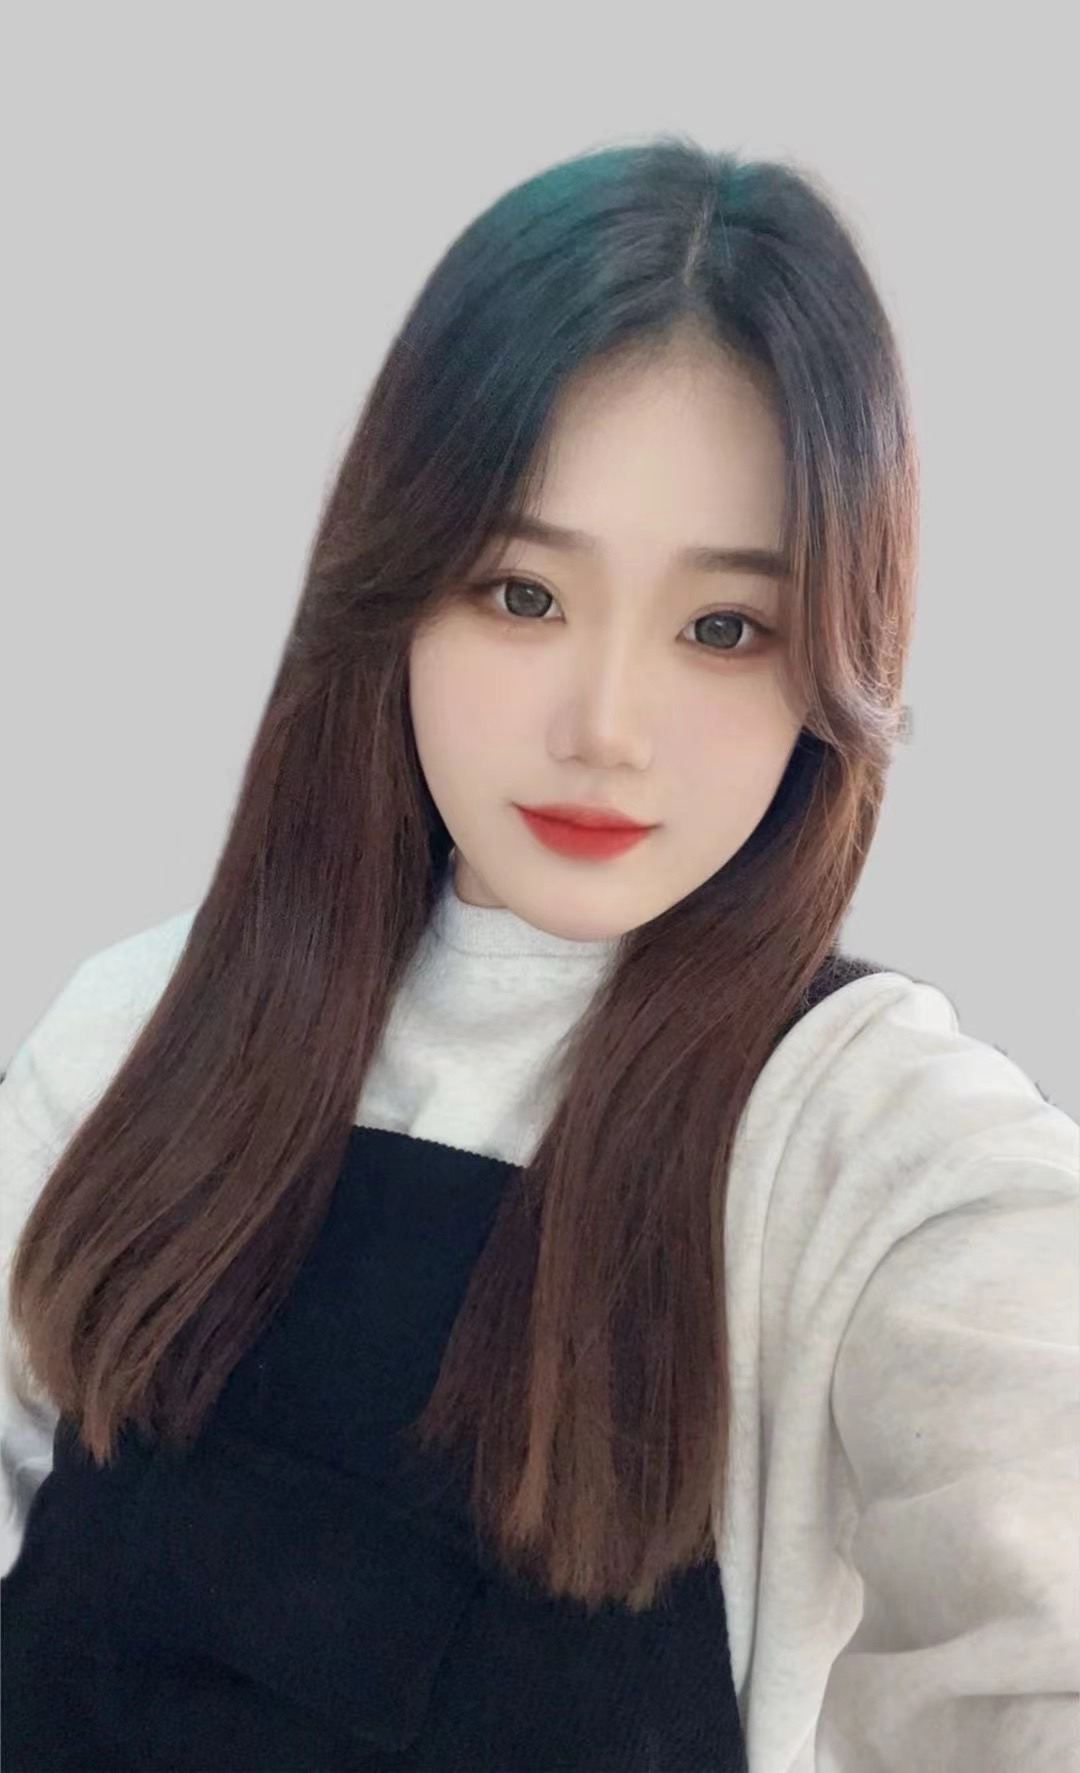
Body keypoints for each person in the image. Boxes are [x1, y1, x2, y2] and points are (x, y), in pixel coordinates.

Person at [1, 134, 1077, 1773]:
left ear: (829, 667)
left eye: (724, 627)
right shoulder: (145, 1028)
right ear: (393, 594)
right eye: (520, 593)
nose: (607, 726)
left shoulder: (866, 1152)